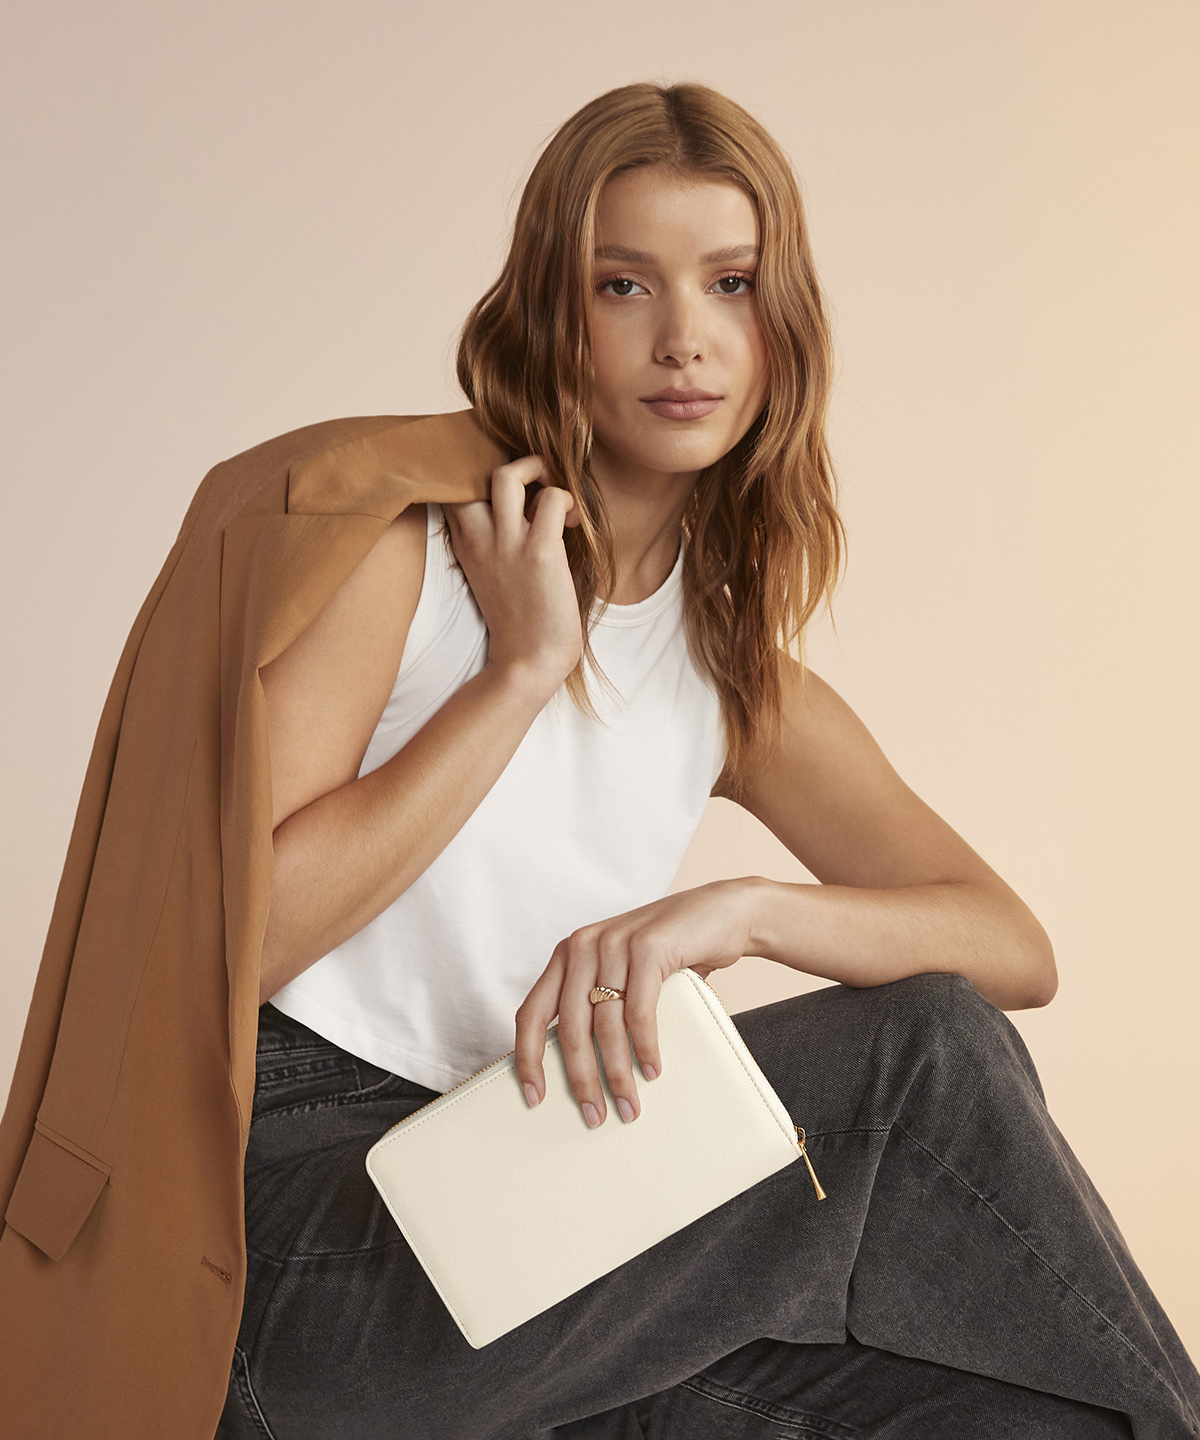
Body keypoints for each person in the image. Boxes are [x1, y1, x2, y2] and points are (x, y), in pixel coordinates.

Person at [1, 81, 1196, 1440]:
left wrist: (741, 913)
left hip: (533, 1232)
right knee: (918, 1055)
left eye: (731, 284)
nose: (685, 338)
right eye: (624, 284)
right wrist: (516, 674)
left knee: (1023, 1420)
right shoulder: (404, 556)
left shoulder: (731, 677)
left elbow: (1011, 948)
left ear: (783, 327)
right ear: (551, 317)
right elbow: (239, 938)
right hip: (292, 1260)